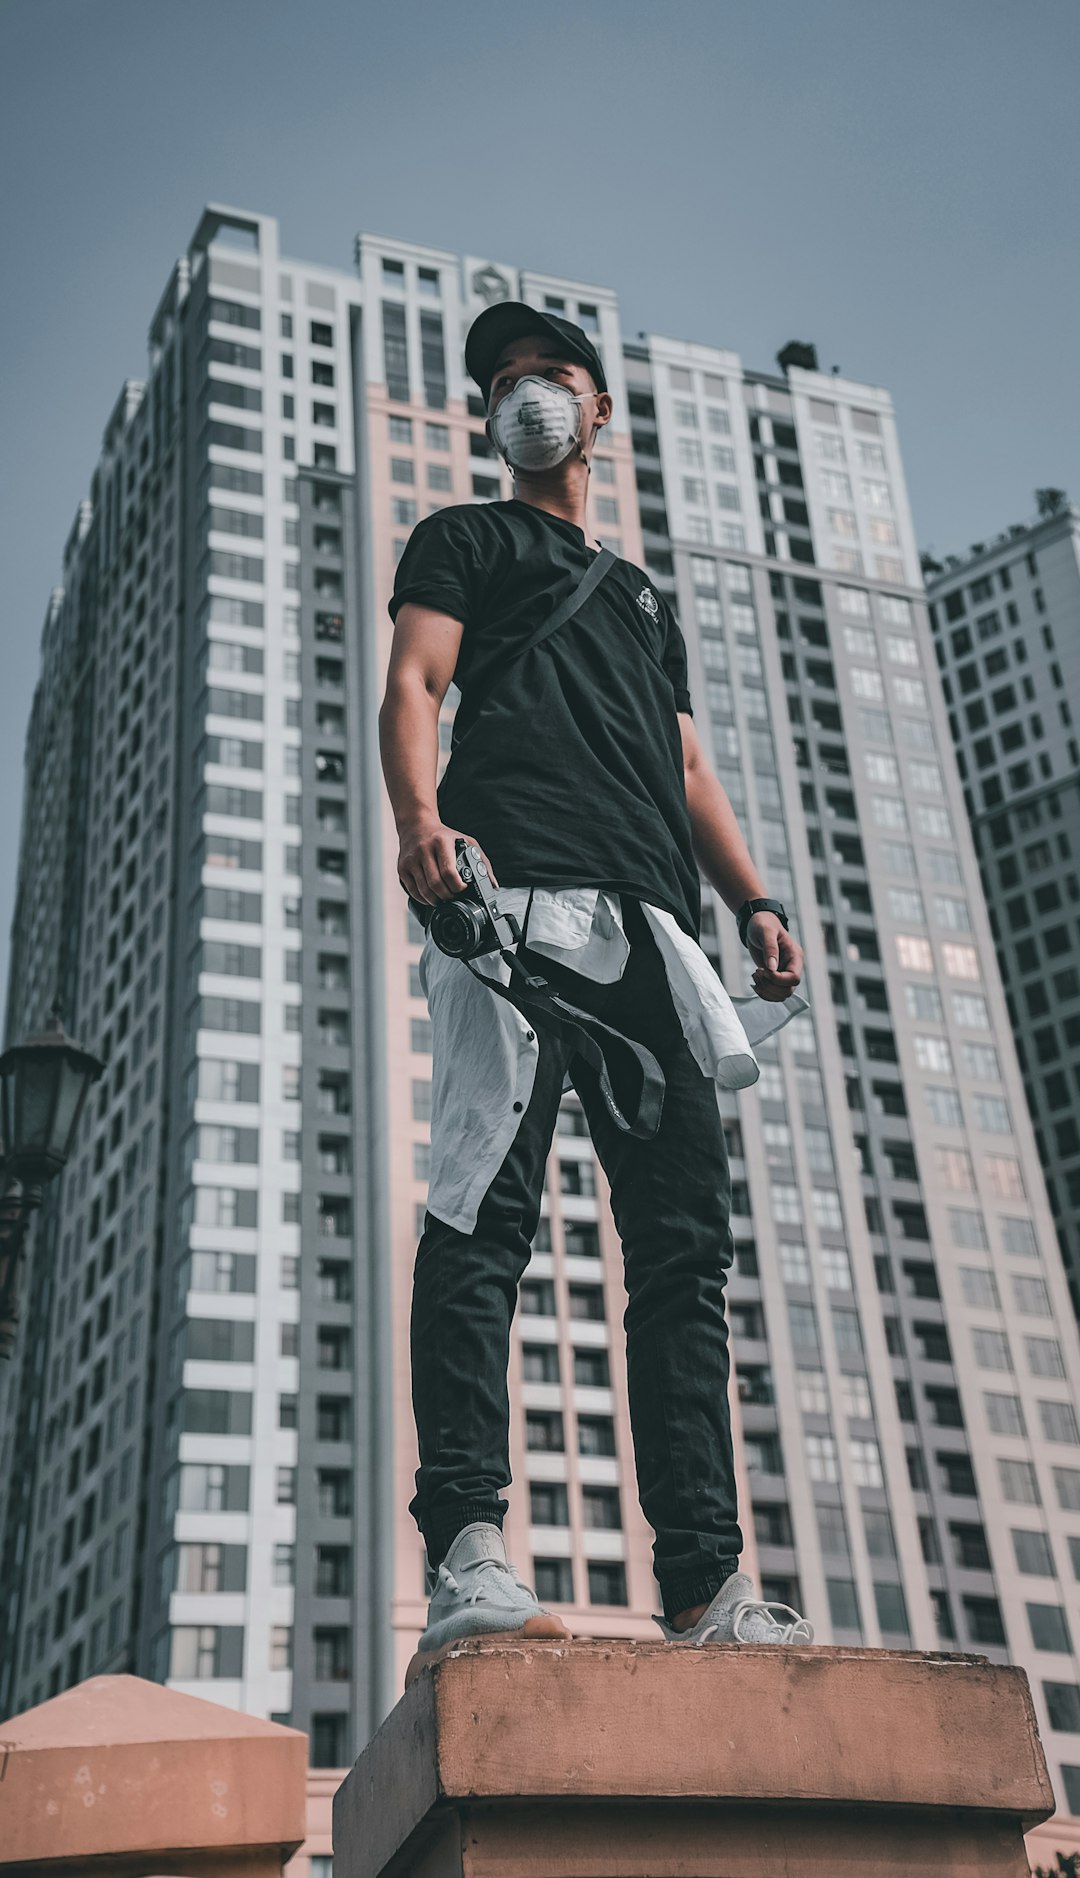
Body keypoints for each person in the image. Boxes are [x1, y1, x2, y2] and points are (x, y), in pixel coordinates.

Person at [379, 300, 814, 1674]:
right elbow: (412, 678)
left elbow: (685, 766)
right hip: (511, 902)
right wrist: (417, 826)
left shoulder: (638, 595)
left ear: (596, 408)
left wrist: (752, 899)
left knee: (685, 1253)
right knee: (481, 1210)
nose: (524, 398)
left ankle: (705, 1583)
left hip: (656, 935)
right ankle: (466, 1553)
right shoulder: (465, 538)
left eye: (546, 377)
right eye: (501, 384)